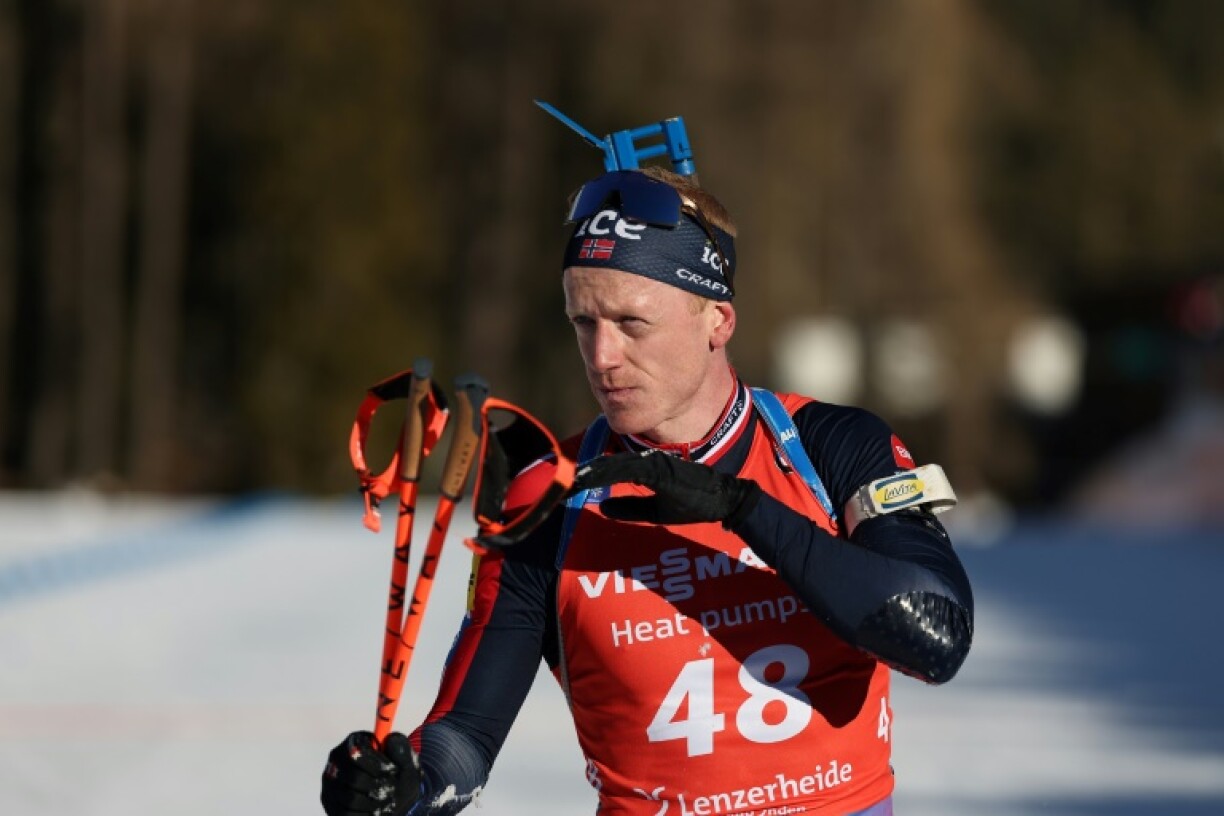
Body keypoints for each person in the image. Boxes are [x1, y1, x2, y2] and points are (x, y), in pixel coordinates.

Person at [321, 166, 974, 816]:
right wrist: (401, 787)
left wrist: (743, 509)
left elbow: (936, 635)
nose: (602, 356)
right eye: (584, 321)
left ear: (717, 320)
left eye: (632, 322)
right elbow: (464, 736)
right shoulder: (550, 494)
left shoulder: (828, 445)